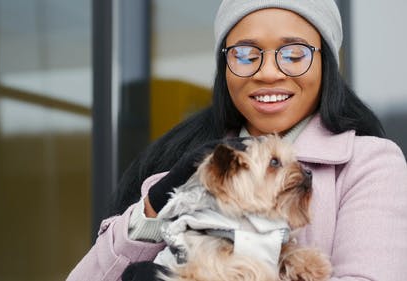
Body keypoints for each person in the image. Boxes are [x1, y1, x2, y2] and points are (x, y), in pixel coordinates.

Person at [66, 0, 407, 280]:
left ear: (325, 64)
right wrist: (154, 209)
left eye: (293, 54)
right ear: (224, 66)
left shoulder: (369, 164)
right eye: (245, 55)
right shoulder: (179, 161)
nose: (269, 72)